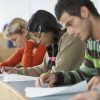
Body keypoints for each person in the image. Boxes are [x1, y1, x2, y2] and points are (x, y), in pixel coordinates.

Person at [35, 0, 100, 88]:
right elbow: (84, 74)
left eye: (70, 24)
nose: (69, 33)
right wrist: (56, 77)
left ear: (83, 12)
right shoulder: (91, 42)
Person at [5, 10, 85, 77]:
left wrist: (43, 75)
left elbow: (59, 71)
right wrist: (18, 71)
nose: (38, 41)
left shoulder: (70, 37)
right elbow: (44, 68)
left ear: (47, 28)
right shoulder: (52, 44)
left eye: (38, 36)